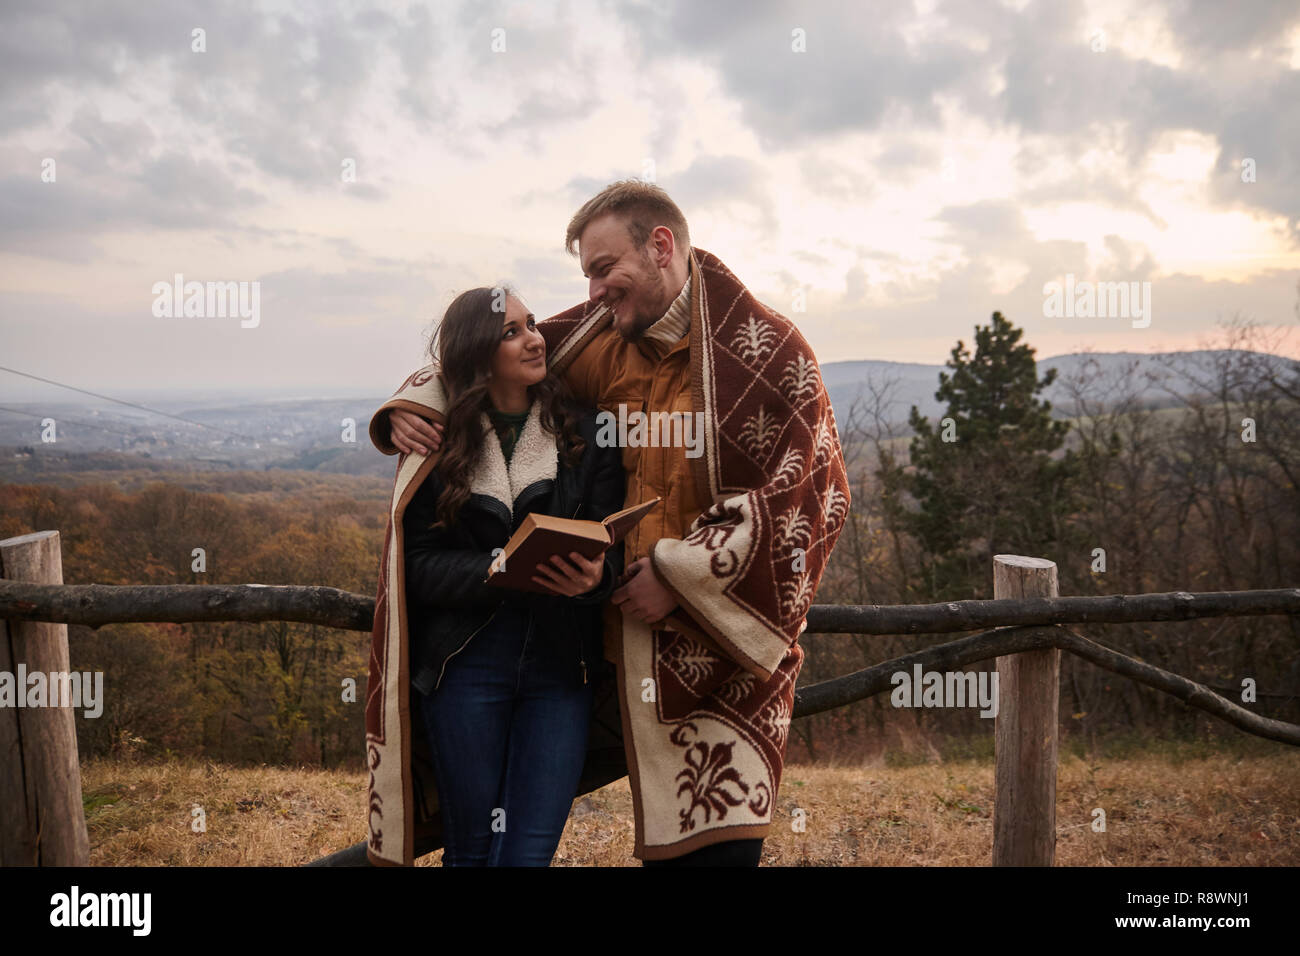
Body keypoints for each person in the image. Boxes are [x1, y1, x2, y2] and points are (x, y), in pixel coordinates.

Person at [371, 181, 850, 866]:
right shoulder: (600, 338)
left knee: (718, 851)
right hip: (617, 645)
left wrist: (678, 576)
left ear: (660, 246)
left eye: (602, 268)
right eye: (586, 275)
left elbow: (810, 496)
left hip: (725, 657)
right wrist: (407, 404)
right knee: (494, 846)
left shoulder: (768, 352)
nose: (592, 291)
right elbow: (482, 353)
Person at [397, 285, 625, 866]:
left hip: (560, 666)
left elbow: (612, 538)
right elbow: (417, 565)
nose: (535, 338)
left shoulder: (588, 430)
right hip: (464, 662)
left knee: (526, 852)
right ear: (479, 353)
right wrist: (500, 568)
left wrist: (595, 579)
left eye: (532, 324)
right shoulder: (436, 436)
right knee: (470, 850)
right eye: (513, 332)